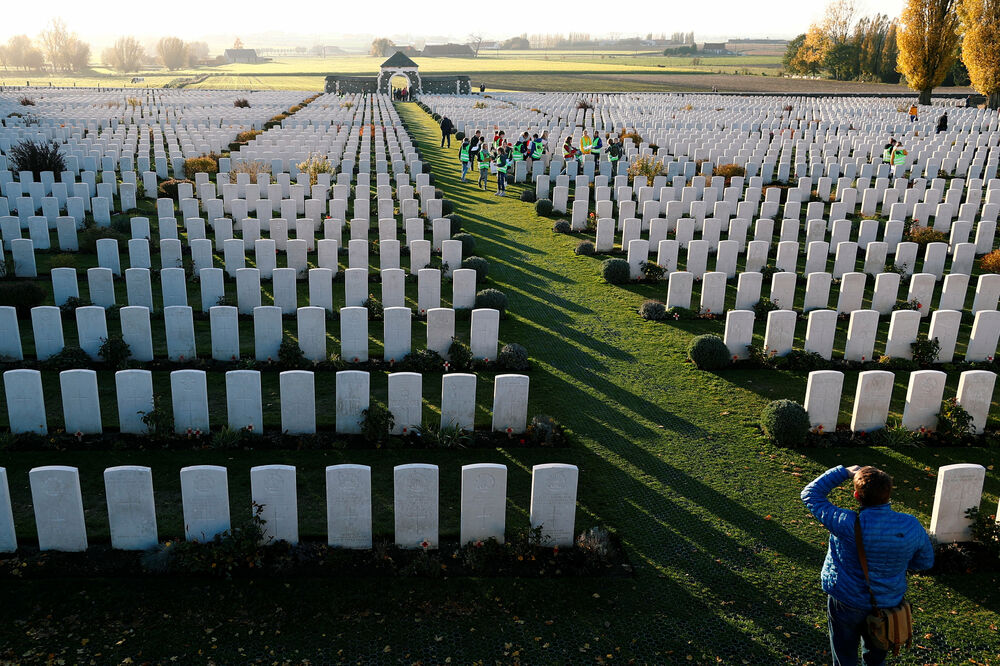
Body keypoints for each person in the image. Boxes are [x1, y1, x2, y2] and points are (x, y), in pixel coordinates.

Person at [802, 465, 933, 666]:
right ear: (888, 493)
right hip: (888, 602)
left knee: (844, 654)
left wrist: (844, 472)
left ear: (856, 495)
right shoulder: (910, 524)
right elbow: (925, 562)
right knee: (877, 654)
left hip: (845, 600)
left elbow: (810, 494)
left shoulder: (844, 522)